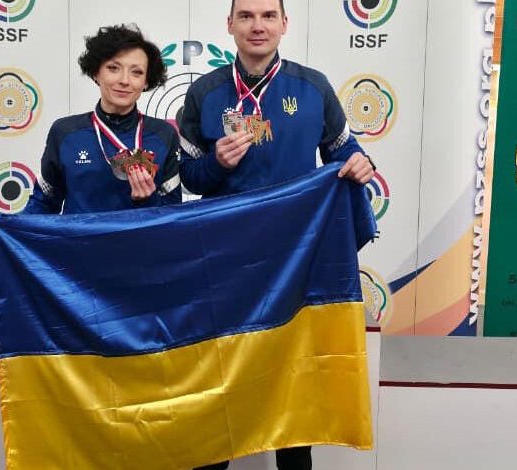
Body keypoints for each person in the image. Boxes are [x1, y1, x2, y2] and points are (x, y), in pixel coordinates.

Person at [179, 0, 375, 468]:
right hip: (225, 263)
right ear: (229, 24)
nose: (257, 25)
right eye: (246, 16)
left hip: (293, 261)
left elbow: (345, 152)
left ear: (285, 24)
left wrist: (361, 163)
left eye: (268, 15)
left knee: (293, 384)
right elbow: (188, 175)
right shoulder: (205, 93)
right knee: (220, 384)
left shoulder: (313, 87)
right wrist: (216, 163)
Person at [0, 24, 180, 238]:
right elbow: (44, 202)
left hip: (140, 253)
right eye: (113, 68)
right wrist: (6, 225)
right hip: (77, 254)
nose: (124, 80)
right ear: (96, 72)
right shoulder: (65, 132)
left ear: (146, 81)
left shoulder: (163, 135)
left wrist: (147, 201)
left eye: (136, 72)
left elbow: (175, 216)